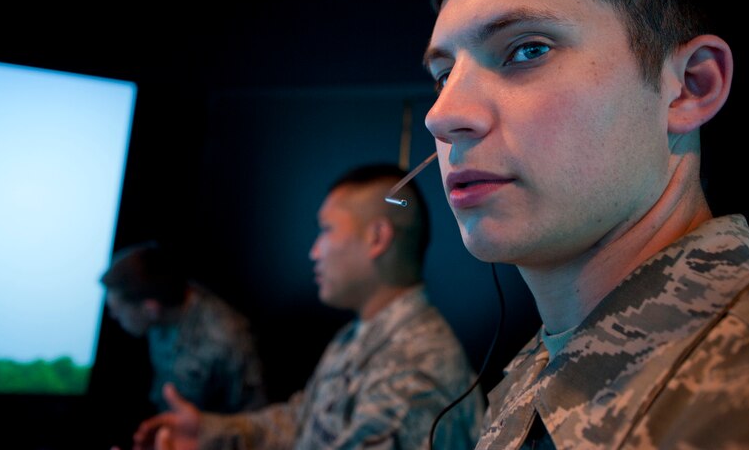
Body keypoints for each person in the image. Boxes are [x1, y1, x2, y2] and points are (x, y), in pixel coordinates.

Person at [420, 0, 749, 449]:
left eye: (527, 49)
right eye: (444, 74)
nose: (442, 116)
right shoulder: (534, 377)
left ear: (690, 88)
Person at [130, 163, 486, 450]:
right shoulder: (360, 335)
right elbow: (303, 421)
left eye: (326, 230)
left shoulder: (413, 374)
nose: (314, 251)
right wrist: (209, 434)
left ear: (376, 238)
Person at [100, 240, 268, 414]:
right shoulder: (161, 311)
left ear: (151, 309)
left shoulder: (228, 339)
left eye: (118, 311)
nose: (114, 317)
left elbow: (254, 417)